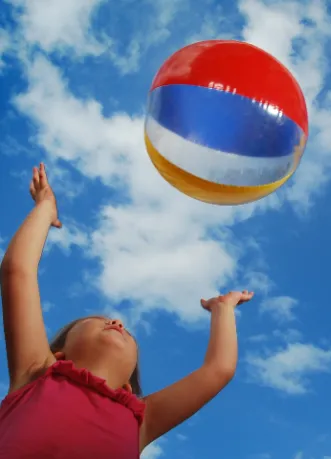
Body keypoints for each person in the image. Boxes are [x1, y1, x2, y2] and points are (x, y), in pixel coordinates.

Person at [0, 163, 253, 458]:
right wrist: (46, 207)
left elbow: (218, 370)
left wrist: (223, 308)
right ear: (59, 354)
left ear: (128, 387)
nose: (117, 322)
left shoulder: (143, 419)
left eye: (122, 328)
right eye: (100, 320)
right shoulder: (36, 373)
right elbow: (17, 270)